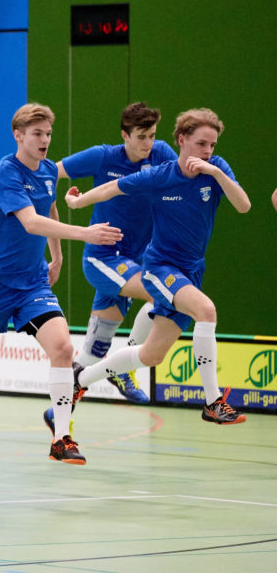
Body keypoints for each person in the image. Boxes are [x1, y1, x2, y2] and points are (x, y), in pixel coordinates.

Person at [0, 103, 122, 465]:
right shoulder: (6, 172)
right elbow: (30, 222)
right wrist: (85, 233)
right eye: (37, 134)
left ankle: (61, 438)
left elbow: (49, 207)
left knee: (62, 348)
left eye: (48, 134)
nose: (45, 140)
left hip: (32, 283)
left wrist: (56, 256)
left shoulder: (47, 170)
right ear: (18, 135)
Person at [65, 108, 250, 424]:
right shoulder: (159, 176)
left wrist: (216, 173)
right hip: (161, 267)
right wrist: (77, 202)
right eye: (201, 144)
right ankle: (213, 402)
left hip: (191, 271)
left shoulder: (216, 169)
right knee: (206, 311)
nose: (207, 151)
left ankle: (79, 379)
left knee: (151, 355)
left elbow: (243, 205)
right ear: (181, 140)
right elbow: (112, 188)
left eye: (212, 145)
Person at [56, 102, 177, 404]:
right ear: (125, 135)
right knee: (162, 293)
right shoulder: (103, 156)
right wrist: (62, 204)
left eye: (152, 136)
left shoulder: (162, 154)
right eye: (141, 137)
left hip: (135, 261)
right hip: (103, 259)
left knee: (92, 353)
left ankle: (58, 415)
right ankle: (125, 366)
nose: (148, 144)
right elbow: (50, 174)